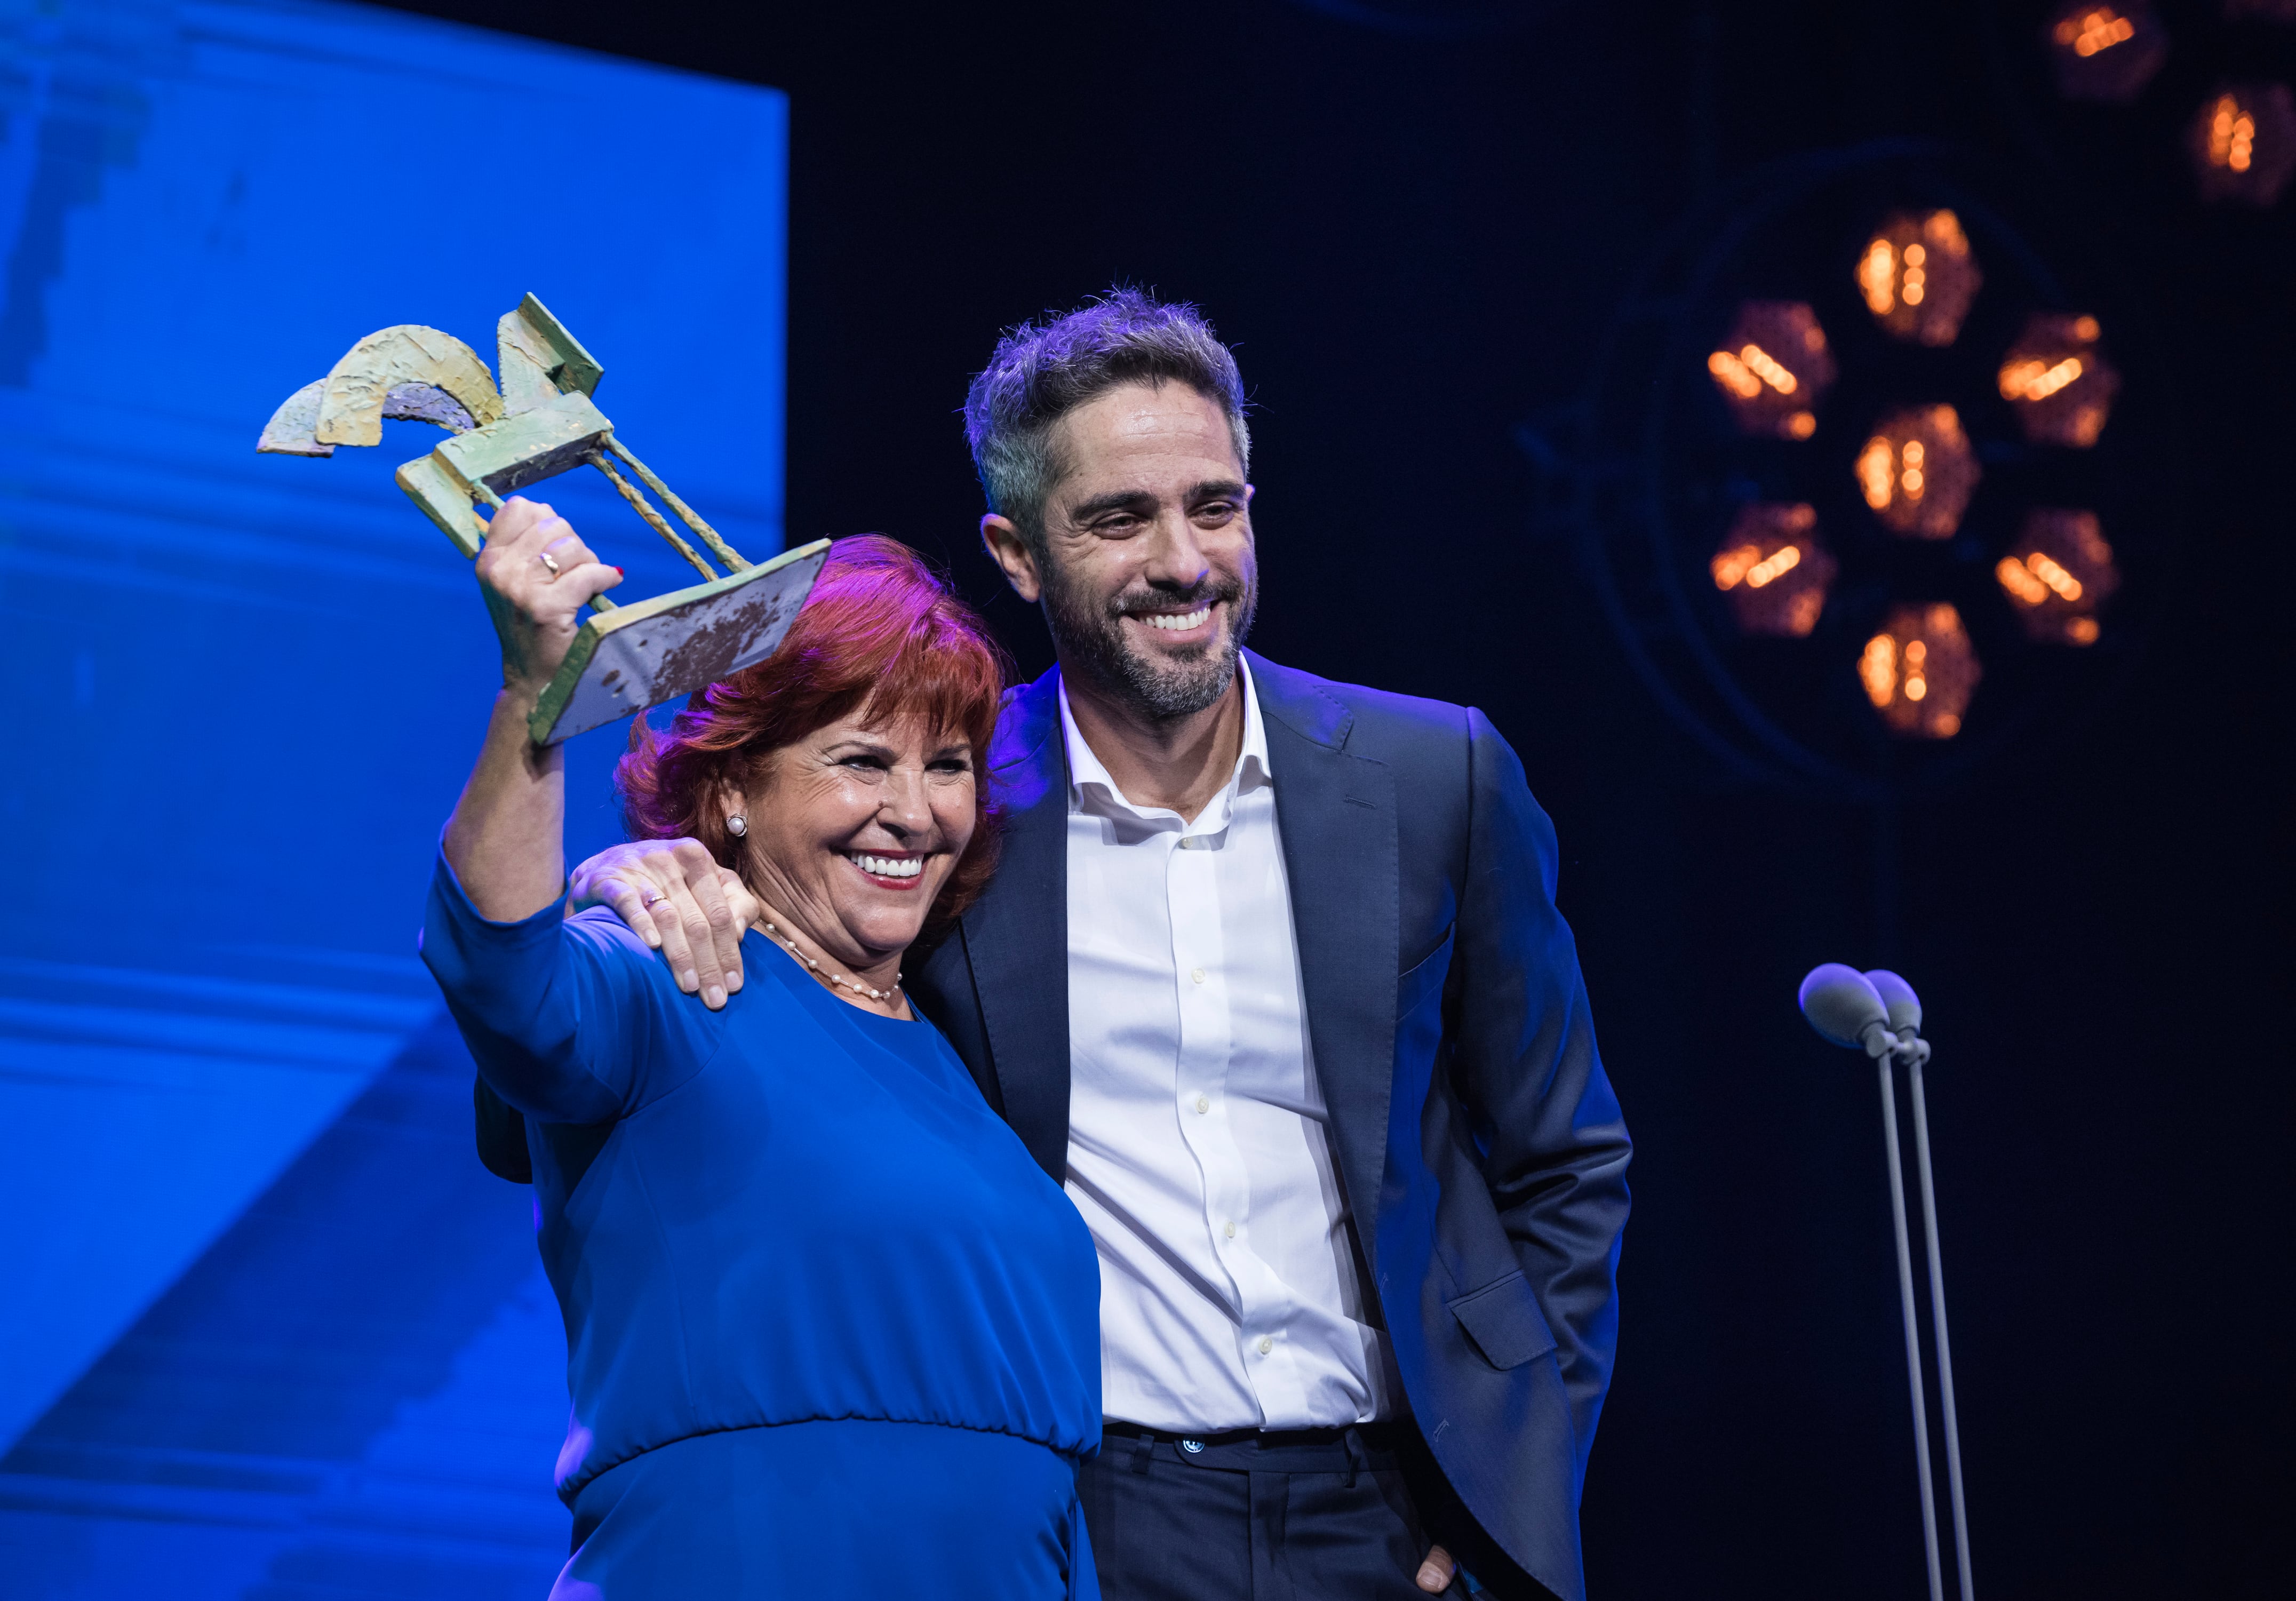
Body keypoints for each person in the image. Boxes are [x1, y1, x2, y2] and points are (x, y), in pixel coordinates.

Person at [573, 290, 1632, 1600]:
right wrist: (640, 869)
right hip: (1095, 1518)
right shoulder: (953, 813)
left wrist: (1506, 1481)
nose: (1184, 560)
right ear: (1018, 555)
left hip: (1395, 1514)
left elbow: (1566, 1159)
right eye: (1120, 519)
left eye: (1215, 505)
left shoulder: (1434, 778)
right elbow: (777, 950)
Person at [424, 515, 1101, 1599]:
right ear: (735, 785)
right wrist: (533, 705)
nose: (915, 812)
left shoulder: (959, 1064)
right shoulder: (670, 973)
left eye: (950, 765)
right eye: (861, 760)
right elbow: (504, 980)